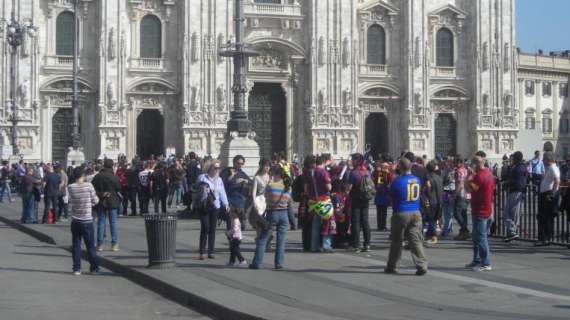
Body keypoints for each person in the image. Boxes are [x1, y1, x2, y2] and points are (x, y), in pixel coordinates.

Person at [385, 158, 428, 276]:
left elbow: (391, 195)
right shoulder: (417, 180)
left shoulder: (397, 181)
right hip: (415, 211)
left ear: (400, 167)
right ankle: (421, 265)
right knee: (416, 240)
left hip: (401, 212)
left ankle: (392, 266)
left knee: (397, 241)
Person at [250, 165, 292, 270]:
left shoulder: (271, 186)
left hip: (272, 213)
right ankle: (279, 263)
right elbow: (289, 201)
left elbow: (266, 199)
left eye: (272, 174)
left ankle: (257, 263)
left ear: (276, 175)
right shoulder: (288, 187)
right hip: (284, 214)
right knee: (281, 241)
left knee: (263, 239)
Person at [465, 155, 496, 271]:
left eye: (472, 163)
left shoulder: (479, 176)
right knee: (477, 236)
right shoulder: (489, 173)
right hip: (487, 208)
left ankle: (486, 263)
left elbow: (469, 189)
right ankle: (477, 260)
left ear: (476, 164)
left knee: (481, 237)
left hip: (480, 210)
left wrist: (468, 176)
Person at [68, 166, 100, 276]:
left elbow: (71, 201)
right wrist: (90, 203)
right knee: (90, 245)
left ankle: (77, 268)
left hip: (75, 220)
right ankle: (94, 268)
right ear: (83, 175)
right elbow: (95, 200)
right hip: (87, 220)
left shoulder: (71, 187)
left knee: (76, 245)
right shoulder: (88, 185)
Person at [196, 160, 229, 260]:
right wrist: (202, 190)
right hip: (204, 206)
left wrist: (226, 204)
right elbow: (196, 189)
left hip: (215, 206)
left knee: (212, 229)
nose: (217, 170)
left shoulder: (219, 180)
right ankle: (202, 251)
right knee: (205, 227)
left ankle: (211, 251)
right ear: (210, 168)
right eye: (215, 168)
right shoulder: (202, 177)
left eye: (219, 168)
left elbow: (222, 192)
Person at [92, 159, 122, 252]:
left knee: (101, 222)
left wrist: (101, 194)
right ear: (112, 166)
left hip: (101, 201)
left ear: (104, 166)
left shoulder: (97, 176)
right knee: (113, 222)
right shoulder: (114, 177)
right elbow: (118, 188)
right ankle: (114, 244)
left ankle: (100, 244)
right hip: (112, 200)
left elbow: (92, 189)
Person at [304, 155, 332, 252]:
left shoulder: (310, 173)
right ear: (324, 162)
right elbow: (329, 187)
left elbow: (306, 189)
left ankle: (313, 246)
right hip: (324, 200)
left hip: (313, 201)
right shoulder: (324, 173)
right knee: (327, 223)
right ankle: (326, 245)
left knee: (315, 224)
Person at [346, 153, 372, 253]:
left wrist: (346, 192)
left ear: (356, 161)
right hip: (366, 199)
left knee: (356, 222)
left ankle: (356, 244)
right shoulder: (367, 171)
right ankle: (367, 244)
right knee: (365, 221)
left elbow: (349, 188)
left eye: (353, 159)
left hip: (356, 199)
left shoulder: (354, 173)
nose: (351, 161)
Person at [536, 151, 560, 246]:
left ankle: (545, 238)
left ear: (549, 159)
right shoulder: (549, 168)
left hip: (548, 194)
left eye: (544, 158)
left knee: (544, 217)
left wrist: (552, 194)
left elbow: (557, 181)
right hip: (546, 193)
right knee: (544, 217)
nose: (543, 160)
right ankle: (545, 238)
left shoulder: (553, 168)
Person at [222, 155, 252, 231]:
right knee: (230, 219)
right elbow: (222, 182)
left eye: (242, 164)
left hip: (240, 200)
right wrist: (232, 176)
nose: (240, 165)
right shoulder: (226, 171)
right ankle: (231, 233)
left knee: (239, 220)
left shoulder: (242, 173)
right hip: (229, 198)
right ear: (234, 162)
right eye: (238, 163)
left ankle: (240, 226)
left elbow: (251, 182)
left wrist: (245, 181)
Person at [503, 151, 527, 242]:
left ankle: (512, 231)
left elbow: (515, 179)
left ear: (516, 158)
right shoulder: (519, 167)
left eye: (513, 158)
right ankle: (511, 232)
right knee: (511, 213)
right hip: (515, 191)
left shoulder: (519, 168)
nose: (511, 160)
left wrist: (506, 182)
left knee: (510, 213)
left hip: (516, 191)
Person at [249, 159, 271, 238]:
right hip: (260, 202)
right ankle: (259, 240)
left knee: (268, 222)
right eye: (266, 166)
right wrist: (254, 203)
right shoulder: (257, 178)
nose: (267, 168)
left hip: (268, 202)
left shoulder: (270, 177)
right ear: (262, 166)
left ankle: (267, 241)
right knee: (259, 223)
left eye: (268, 166)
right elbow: (253, 193)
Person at [425, 160, 443, 245]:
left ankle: (434, 236)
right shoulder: (439, 178)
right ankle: (429, 234)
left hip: (432, 201)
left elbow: (428, 191)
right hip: (439, 201)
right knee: (435, 218)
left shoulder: (429, 179)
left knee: (431, 219)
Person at [453, 157, 471, 240]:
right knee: (463, 214)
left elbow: (460, 184)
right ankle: (463, 232)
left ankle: (465, 230)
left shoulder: (459, 171)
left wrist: (455, 194)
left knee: (457, 213)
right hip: (467, 194)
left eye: (455, 162)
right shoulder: (466, 170)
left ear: (460, 163)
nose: (454, 164)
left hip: (461, 194)